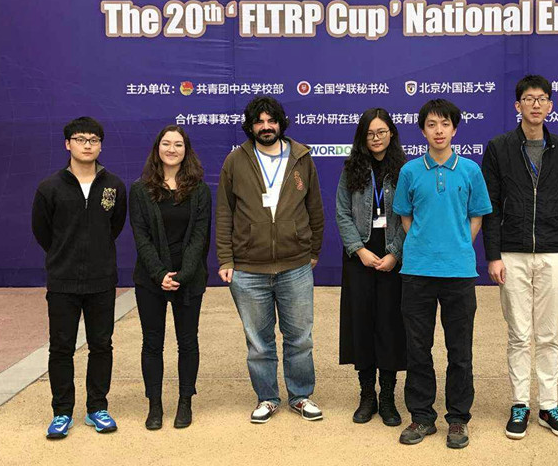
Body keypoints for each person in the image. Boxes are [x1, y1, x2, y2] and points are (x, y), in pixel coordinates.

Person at [481, 74, 558, 440]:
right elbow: (490, 206)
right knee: (519, 334)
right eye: (529, 98)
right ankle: (520, 404)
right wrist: (493, 255)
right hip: (512, 252)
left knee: (549, 334)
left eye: (542, 98)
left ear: (551, 105)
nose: (536, 104)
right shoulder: (499, 147)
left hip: (555, 252)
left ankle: (549, 405)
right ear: (517, 105)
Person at [216, 96, 325, 423]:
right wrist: (226, 259)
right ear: (250, 126)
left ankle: (301, 395)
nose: (266, 127)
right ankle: (266, 397)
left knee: (300, 339)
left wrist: (313, 251)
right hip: (248, 268)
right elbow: (225, 213)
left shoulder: (301, 157)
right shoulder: (235, 161)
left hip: (295, 265)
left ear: (281, 123)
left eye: (271, 120)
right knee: (259, 343)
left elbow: (315, 209)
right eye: (259, 122)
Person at [392, 99, 492, 450]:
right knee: (418, 348)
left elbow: (477, 216)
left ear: (454, 129)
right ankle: (421, 416)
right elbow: (405, 216)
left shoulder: (470, 170)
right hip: (417, 271)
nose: (438, 131)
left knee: (459, 350)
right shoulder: (409, 171)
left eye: (445, 124)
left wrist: (459, 244)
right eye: (432, 124)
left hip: (458, 272)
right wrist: (423, 244)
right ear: (422, 130)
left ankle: (458, 418)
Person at [31, 116, 127, 439]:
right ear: (67, 144)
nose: (88, 145)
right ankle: (62, 412)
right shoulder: (50, 188)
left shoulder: (114, 186)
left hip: (101, 280)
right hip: (63, 281)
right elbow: (42, 231)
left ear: (100, 145)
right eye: (81, 139)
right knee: (61, 348)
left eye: (94, 140)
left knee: (101, 345)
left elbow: (114, 226)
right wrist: (65, 256)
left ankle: (97, 407)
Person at [129, 125, 211, 430]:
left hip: (189, 278)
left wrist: (183, 274)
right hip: (150, 279)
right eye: (166, 143)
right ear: (157, 148)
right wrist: (160, 273)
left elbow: (200, 237)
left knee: (188, 342)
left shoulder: (200, 190)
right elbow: (141, 236)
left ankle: (185, 402)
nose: (172, 149)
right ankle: (154, 405)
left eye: (178, 144)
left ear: (186, 150)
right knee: (152, 343)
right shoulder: (140, 189)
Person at [336, 108, 407, 427]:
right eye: (370, 133)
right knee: (361, 326)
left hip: (393, 260)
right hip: (360, 260)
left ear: (391, 133)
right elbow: (342, 213)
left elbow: (411, 216)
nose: (376, 138)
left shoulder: (405, 169)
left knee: (390, 327)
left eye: (381, 132)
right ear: (362, 137)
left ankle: (388, 398)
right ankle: (367, 396)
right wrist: (359, 249)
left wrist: (394, 253)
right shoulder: (351, 169)